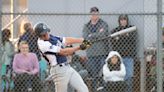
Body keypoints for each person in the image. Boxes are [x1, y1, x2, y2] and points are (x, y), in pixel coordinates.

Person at [34, 22, 91, 92]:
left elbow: (66, 40)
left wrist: (82, 40)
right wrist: (79, 48)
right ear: (39, 36)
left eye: (47, 32)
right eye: (44, 34)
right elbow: (63, 52)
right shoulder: (43, 44)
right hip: (58, 71)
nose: (47, 34)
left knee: (83, 89)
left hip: (67, 67)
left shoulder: (51, 37)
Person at [82, 6, 110, 92]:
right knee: (94, 76)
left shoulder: (103, 24)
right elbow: (85, 38)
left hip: (102, 53)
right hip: (91, 54)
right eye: (92, 14)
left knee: (102, 74)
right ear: (90, 15)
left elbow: (103, 35)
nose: (94, 15)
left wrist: (91, 35)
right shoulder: (86, 25)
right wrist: (96, 35)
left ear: (98, 14)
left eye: (96, 13)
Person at [111, 14, 138, 92]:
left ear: (127, 20)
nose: (123, 21)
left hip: (129, 57)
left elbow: (132, 40)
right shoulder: (115, 30)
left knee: (129, 76)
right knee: (119, 76)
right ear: (119, 21)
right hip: (118, 58)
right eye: (121, 20)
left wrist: (119, 38)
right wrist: (125, 37)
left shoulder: (131, 29)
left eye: (124, 19)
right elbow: (113, 42)